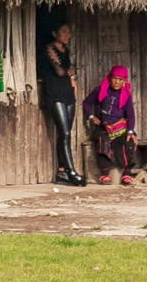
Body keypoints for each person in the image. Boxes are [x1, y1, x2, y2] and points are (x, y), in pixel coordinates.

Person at [39, 22, 83, 185]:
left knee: (65, 134)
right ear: (54, 33)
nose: (67, 35)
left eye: (68, 32)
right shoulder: (50, 48)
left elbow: (65, 71)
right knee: (64, 133)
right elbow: (58, 71)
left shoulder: (66, 50)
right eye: (64, 32)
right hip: (54, 92)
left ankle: (62, 171)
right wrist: (69, 73)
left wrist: (69, 75)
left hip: (67, 92)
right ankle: (72, 171)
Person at [86, 65, 138, 186]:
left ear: (124, 81)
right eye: (115, 78)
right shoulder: (101, 90)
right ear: (110, 78)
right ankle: (104, 174)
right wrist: (91, 117)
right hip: (104, 127)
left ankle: (127, 174)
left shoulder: (126, 95)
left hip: (120, 128)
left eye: (120, 80)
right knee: (102, 141)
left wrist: (130, 131)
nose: (117, 82)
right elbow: (87, 103)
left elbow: (130, 115)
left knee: (129, 142)